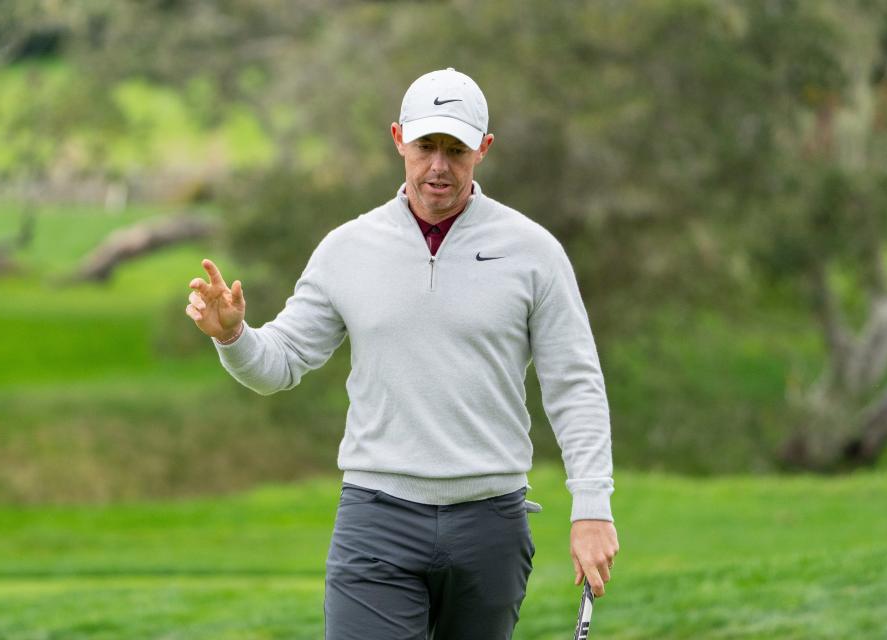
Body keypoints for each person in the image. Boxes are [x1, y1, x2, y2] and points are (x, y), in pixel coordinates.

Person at [185, 67, 618, 639]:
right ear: (398, 141)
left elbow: (575, 383)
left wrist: (592, 505)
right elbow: (281, 363)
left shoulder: (533, 251)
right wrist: (233, 337)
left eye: (456, 149)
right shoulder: (347, 249)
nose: (439, 165)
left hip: (490, 521)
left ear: (483, 150)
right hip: (377, 518)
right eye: (425, 146)